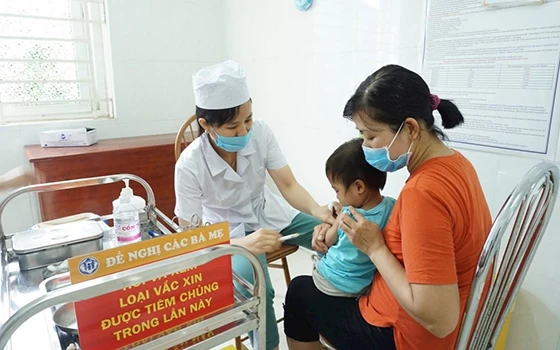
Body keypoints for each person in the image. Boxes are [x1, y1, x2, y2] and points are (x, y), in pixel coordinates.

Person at [283, 64, 492, 350]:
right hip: (456, 315)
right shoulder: (457, 163)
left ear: (409, 128)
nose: (366, 148)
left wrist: (375, 248)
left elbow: (439, 319)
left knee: (298, 292)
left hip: (405, 336)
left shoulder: (423, 193)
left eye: (370, 137)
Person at [174, 60, 336, 350]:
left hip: (269, 213)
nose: (244, 131)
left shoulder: (261, 132)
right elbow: (190, 236)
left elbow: (288, 185)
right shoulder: (189, 165)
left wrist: (318, 210)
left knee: (337, 238)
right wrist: (241, 244)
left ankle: (343, 325)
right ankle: (267, 345)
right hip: (225, 233)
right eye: (232, 126)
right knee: (259, 289)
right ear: (206, 125)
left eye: (248, 119)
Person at [312, 138, 395, 298]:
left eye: (337, 190)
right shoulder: (392, 207)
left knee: (319, 253)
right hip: (362, 287)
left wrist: (334, 224)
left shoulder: (348, 215)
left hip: (330, 282)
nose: (336, 195)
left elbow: (326, 242)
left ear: (359, 187)